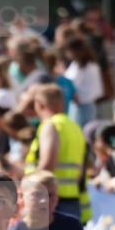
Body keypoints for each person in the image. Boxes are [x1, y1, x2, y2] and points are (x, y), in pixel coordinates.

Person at [24, 83, 88, 220]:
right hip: (71, 197)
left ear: (40, 104)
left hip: (51, 199)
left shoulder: (50, 125)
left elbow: (47, 164)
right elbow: (81, 169)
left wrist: (30, 189)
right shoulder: (75, 127)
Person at [64, 38, 104, 128]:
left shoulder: (85, 67)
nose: (66, 53)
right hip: (81, 105)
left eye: (68, 51)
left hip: (83, 106)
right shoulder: (79, 65)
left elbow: (72, 84)